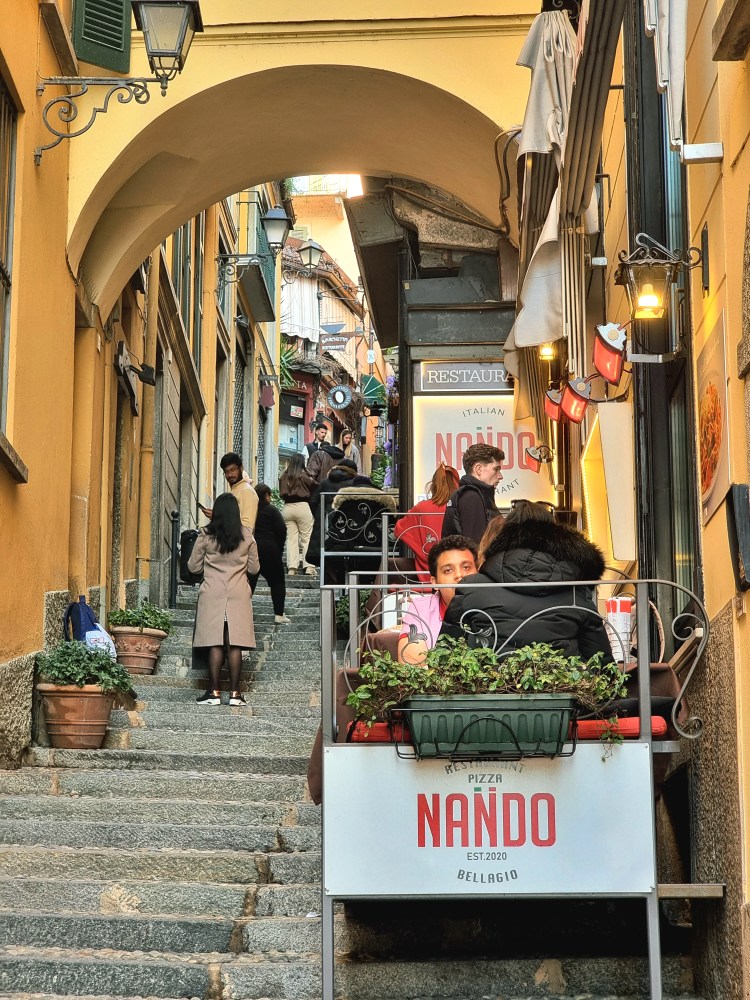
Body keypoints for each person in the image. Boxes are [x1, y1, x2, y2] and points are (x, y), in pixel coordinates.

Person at [444, 499, 612, 660]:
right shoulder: (576, 590)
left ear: (504, 535)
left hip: (490, 686)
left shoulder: (472, 587)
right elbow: (601, 663)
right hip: (562, 686)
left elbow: (445, 656)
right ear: (558, 537)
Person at [188, 492, 260, 706]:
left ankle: (214, 692)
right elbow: (255, 568)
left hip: (213, 592)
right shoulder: (247, 535)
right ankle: (236, 694)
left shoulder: (206, 534)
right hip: (238, 593)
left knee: (215, 642)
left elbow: (193, 566)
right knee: (235, 643)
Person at [397, 535, 478, 665]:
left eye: (466, 567)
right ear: (435, 582)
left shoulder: (493, 605)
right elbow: (412, 670)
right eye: (448, 570)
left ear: (478, 571)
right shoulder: (420, 610)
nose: (459, 575)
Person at [393, 464, 460, 582]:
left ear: (433, 485)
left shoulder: (422, 507)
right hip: (458, 576)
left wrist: (419, 548)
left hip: (427, 576)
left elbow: (399, 530)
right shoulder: (461, 507)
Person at [441, 442, 505, 544]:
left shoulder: (471, 495)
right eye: (496, 469)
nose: (500, 476)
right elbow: (476, 546)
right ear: (478, 469)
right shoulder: (472, 497)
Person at [248, 484, 290, 624]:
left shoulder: (250, 510)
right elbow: (282, 529)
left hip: (253, 549)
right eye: (270, 495)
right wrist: (278, 548)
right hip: (271, 549)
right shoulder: (271, 510)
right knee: (277, 582)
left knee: (249, 583)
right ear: (266, 495)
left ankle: (243, 611)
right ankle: (279, 614)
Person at [278, 454, 317, 577]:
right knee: (306, 538)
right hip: (302, 506)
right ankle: (309, 567)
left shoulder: (284, 476)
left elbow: (281, 491)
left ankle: (292, 568)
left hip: (287, 508)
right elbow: (315, 485)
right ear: (302, 462)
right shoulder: (304, 475)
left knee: (291, 539)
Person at [199, 452, 258, 532]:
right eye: (226, 472)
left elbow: (247, 528)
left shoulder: (247, 491)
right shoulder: (236, 490)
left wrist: (217, 517)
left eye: (232, 470)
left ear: (241, 468)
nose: (230, 474)